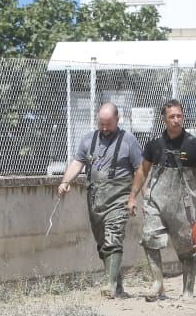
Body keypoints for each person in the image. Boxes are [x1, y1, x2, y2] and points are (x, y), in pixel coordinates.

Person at [126, 99, 196, 302]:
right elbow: (142, 171)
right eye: (172, 117)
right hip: (156, 203)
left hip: (183, 206)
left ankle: (188, 291)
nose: (176, 120)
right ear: (164, 119)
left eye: (179, 116)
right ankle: (158, 283)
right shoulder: (154, 144)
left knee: (188, 248)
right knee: (149, 239)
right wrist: (133, 196)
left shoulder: (193, 144)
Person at [57, 101, 144, 298]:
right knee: (103, 244)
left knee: (113, 238)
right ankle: (117, 284)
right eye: (101, 124)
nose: (105, 128)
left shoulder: (129, 141)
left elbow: (141, 170)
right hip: (95, 200)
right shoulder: (88, 139)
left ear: (117, 120)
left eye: (109, 124)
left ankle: (110, 285)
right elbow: (78, 162)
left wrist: (137, 198)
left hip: (119, 199)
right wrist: (65, 182)